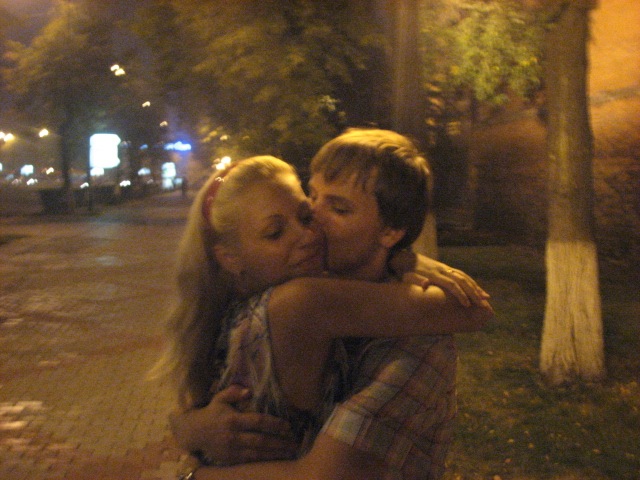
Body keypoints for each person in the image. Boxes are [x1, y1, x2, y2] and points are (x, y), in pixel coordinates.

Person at [167, 130, 493, 479]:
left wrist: (192, 466)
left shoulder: (414, 343)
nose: (313, 222)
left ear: (390, 232)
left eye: (338, 208)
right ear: (230, 258)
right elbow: (471, 312)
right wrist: (188, 427)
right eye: (313, 198)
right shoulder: (294, 298)